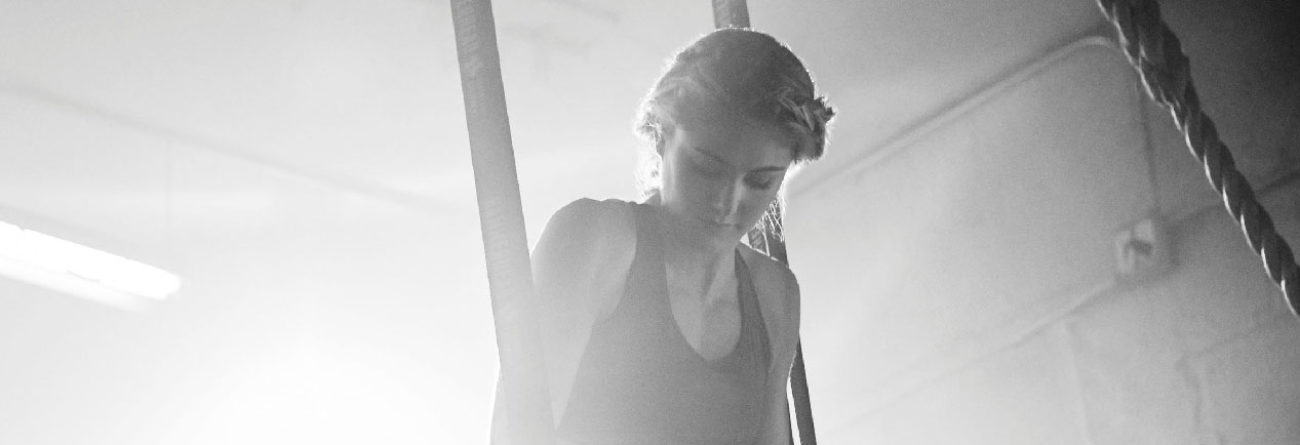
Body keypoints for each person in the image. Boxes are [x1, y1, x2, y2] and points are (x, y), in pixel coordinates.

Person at [491, 27, 835, 445]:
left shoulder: (775, 295)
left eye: (761, 182)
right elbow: (517, 435)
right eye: (706, 168)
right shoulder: (595, 242)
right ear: (662, 137)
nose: (726, 203)